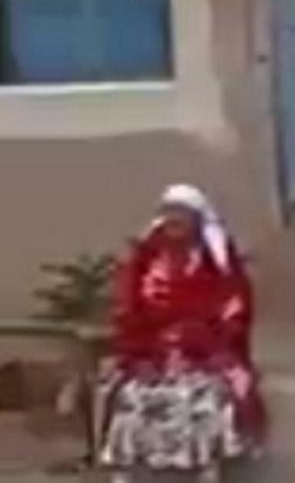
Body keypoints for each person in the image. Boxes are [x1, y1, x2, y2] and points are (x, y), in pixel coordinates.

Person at [99, 184, 265, 483]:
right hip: (151, 355)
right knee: (129, 397)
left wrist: (210, 345)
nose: (173, 219)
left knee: (209, 397)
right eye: (168, 212)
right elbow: (128, 310)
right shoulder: (144, 260)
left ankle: (205, 467)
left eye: (181, 214)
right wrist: (139, 353)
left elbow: (234, 309)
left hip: (207, 354)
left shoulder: (217, 262)